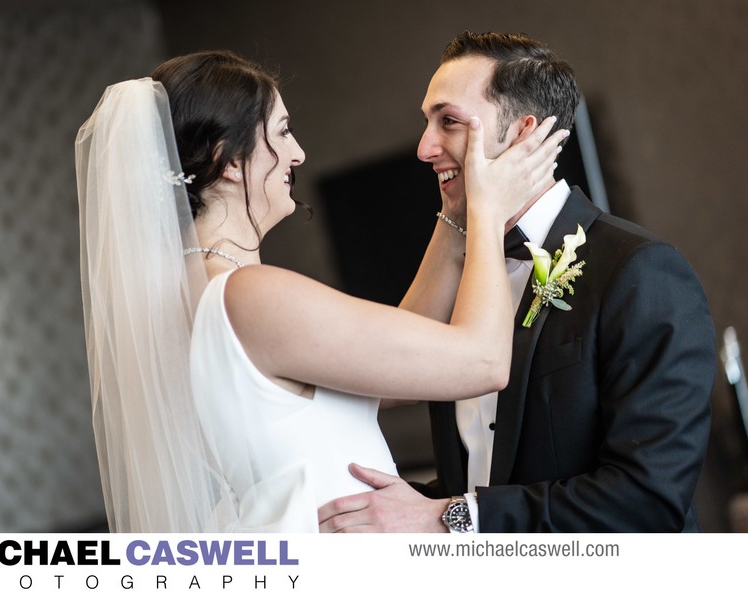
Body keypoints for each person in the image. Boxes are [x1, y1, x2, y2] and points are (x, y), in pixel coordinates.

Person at [76, 49, 568, 531]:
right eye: (282, 132)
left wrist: (455, 205)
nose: (298, 153)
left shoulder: (188, 292)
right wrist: (487, 209)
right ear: (227, 160)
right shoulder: (249, 295)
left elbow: (392, 368)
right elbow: (481, 361)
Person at [318, 31, 716, 533]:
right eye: (427, 123)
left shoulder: (640, 272)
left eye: (450, 122)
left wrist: (445, 518)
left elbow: (647, 501)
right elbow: (487, 471)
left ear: (523, 133)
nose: (424, 148)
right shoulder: (460, 281)